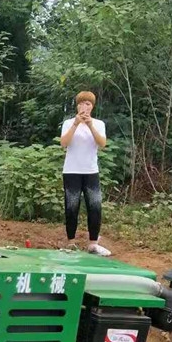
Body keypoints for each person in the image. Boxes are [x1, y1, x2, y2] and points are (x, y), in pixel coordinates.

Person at [60, 91, 111, 256]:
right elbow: (64, 143)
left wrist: (89, 125)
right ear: (77, 105)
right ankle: (70, 242)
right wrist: (76, 124)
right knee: (71, 206)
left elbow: (102, 143)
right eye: (82, 103)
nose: (85, 106)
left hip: (91, 171)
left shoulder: (99, 123)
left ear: (92, 106)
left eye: (88, 104)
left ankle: (93, 244)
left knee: (95, 206)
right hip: (71, 171)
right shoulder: (69, 123)